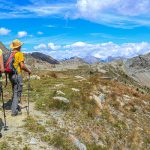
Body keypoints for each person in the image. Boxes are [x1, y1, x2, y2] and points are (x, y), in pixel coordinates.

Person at [9, 39, 31, 116]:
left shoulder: (10, 54)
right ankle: (14, 112)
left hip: (10, 75)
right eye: (20, 45)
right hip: (17, 75)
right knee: (17, 92)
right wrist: (28, 70)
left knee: (14, 91)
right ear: (19, 46)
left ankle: (15, 106)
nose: (21, 46)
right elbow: (22, 66)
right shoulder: (19, 54)